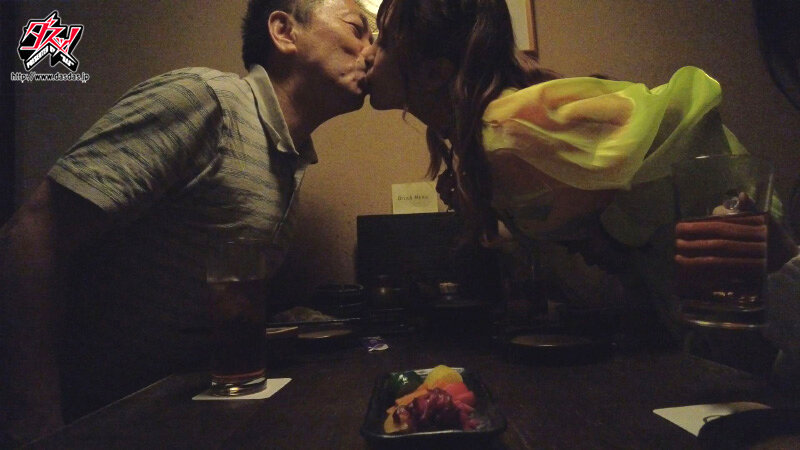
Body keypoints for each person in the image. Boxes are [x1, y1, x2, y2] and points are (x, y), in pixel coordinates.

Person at [0, 0, 372, 445]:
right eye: (357, 29)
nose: (371, 51)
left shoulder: (288, 155)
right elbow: (30, 233)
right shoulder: (206, 101)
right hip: (98, 416)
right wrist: (34, 422)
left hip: (177, 415)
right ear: (283, 31)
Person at [363, 0, 798, 342]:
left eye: (381, 41)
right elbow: (599, 253)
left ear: (434, 73)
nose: (366, 53)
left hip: (736, 249)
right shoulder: (496, 129)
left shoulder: (501, 135)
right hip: (699, 271)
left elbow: (590, 282)